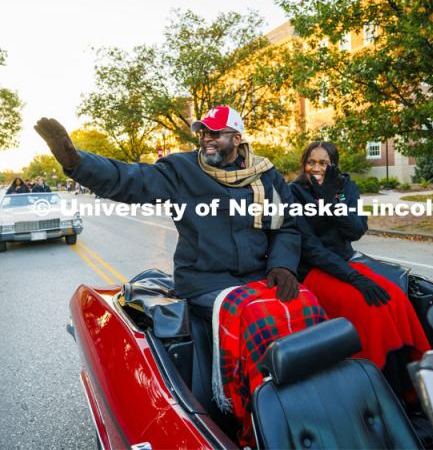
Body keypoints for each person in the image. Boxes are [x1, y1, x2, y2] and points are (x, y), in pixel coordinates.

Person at [34, 106, 325, 446]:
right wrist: (76, 162)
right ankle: (255, 415)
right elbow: (129, 180)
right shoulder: (182, 169)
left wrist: (283, 266)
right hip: (206, 281)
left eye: (215, 133)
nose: (206, 138)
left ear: (237, 137)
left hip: (258, 276)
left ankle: (311, 403)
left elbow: (287, 227)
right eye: (202, 132)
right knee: (257, 316)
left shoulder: (267, 176)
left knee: (307, 302)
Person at [290, 141, 430, 374]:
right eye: (311, 162)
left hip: (344, 262)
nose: (316, 168)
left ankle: (408, 380)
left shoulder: (346, 188)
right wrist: (353, 277)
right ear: (303, 164)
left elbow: (355, 230)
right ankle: (373, 375)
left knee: (395, 298)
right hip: (312, 269)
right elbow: (310, 247)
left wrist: (330, 203)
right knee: (369, 307)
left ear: (333, 165)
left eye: (323, 163)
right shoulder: (294, 192)